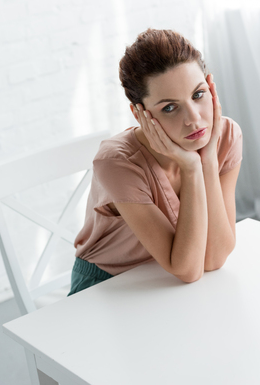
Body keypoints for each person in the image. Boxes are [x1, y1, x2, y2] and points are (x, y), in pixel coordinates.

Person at [67, 28, 243, 297]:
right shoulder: (118, 163)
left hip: (169, 279)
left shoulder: (226, 137)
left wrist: (206, 162)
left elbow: (214, 259)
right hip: (108, 285)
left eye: (198, 94)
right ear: (140, 114)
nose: (194, 119)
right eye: (169, 108)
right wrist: (192, 167)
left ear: (211, 87)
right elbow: (188, 271)